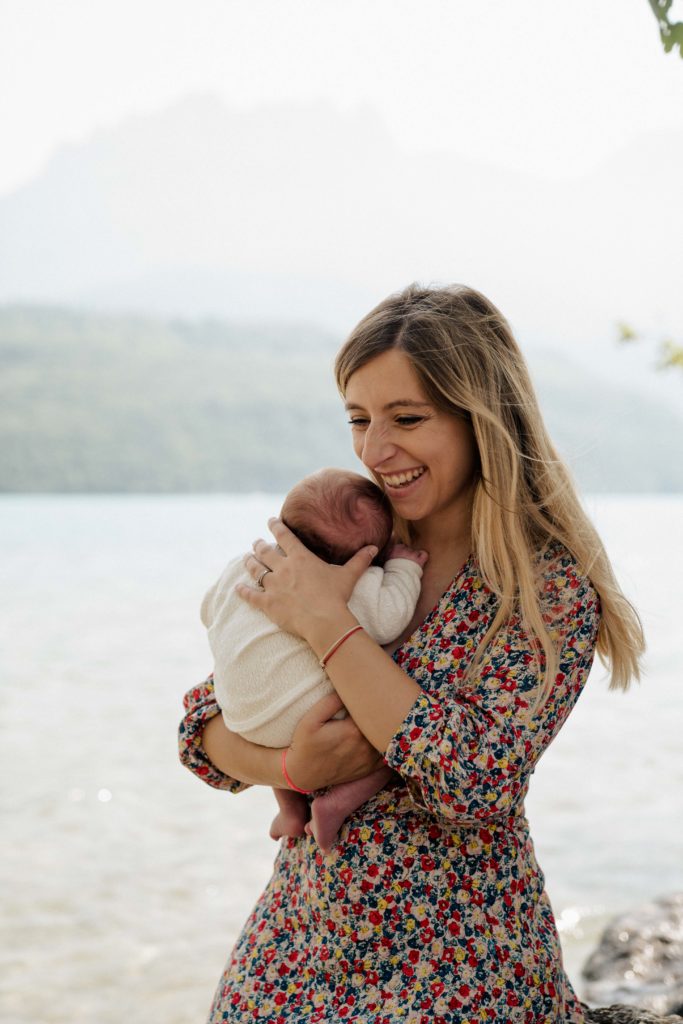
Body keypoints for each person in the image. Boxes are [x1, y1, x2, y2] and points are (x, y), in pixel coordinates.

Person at [179, 284, 645, 1024]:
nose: (374, 449)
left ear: (479, 420)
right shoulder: (342, 544)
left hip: (458, 964)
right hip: (297, 951)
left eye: (406, 418)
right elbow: (203, 730)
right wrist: (295, 768)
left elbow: (472, 784)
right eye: (359, 420)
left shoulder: (543, 592)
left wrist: (330, 627)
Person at [201, 467, 427, 852]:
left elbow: (209, 611)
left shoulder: (244, 566)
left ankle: (289, 806)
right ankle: (341, 798)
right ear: (367, 556)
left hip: (237, 714)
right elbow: (391, 618)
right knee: (383, 712)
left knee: (279, 692)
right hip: (306, 719)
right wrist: (404, 567)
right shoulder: (349, 581)